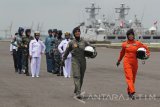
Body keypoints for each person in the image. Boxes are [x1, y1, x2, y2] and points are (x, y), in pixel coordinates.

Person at [116, 29, 150, 100]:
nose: (130, 36)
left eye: (132, 35)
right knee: (129, 77)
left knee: (133, 78)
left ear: (133, 36)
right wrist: (119, 61)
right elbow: (122, 53)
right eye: (129, 35)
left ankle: (129, 91)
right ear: (127, 36)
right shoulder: (124, 44)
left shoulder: (137, 43)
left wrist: (147, 55)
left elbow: (146, 48)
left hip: (135, 63)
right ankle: (132, 91)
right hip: (127, 62)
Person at [62, 27, 91, 99]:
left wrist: (94, 51)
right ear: (74, 34)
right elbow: (66, 51)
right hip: (75, 60)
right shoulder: (71, 42)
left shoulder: (84, 41)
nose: (78, 33)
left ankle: (77, 88)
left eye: (79, 31)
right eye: (76, 32)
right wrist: (63, 59)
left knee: (81, 77)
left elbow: (91, 48)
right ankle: (78, 92)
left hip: (83, 60)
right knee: (76, 76)